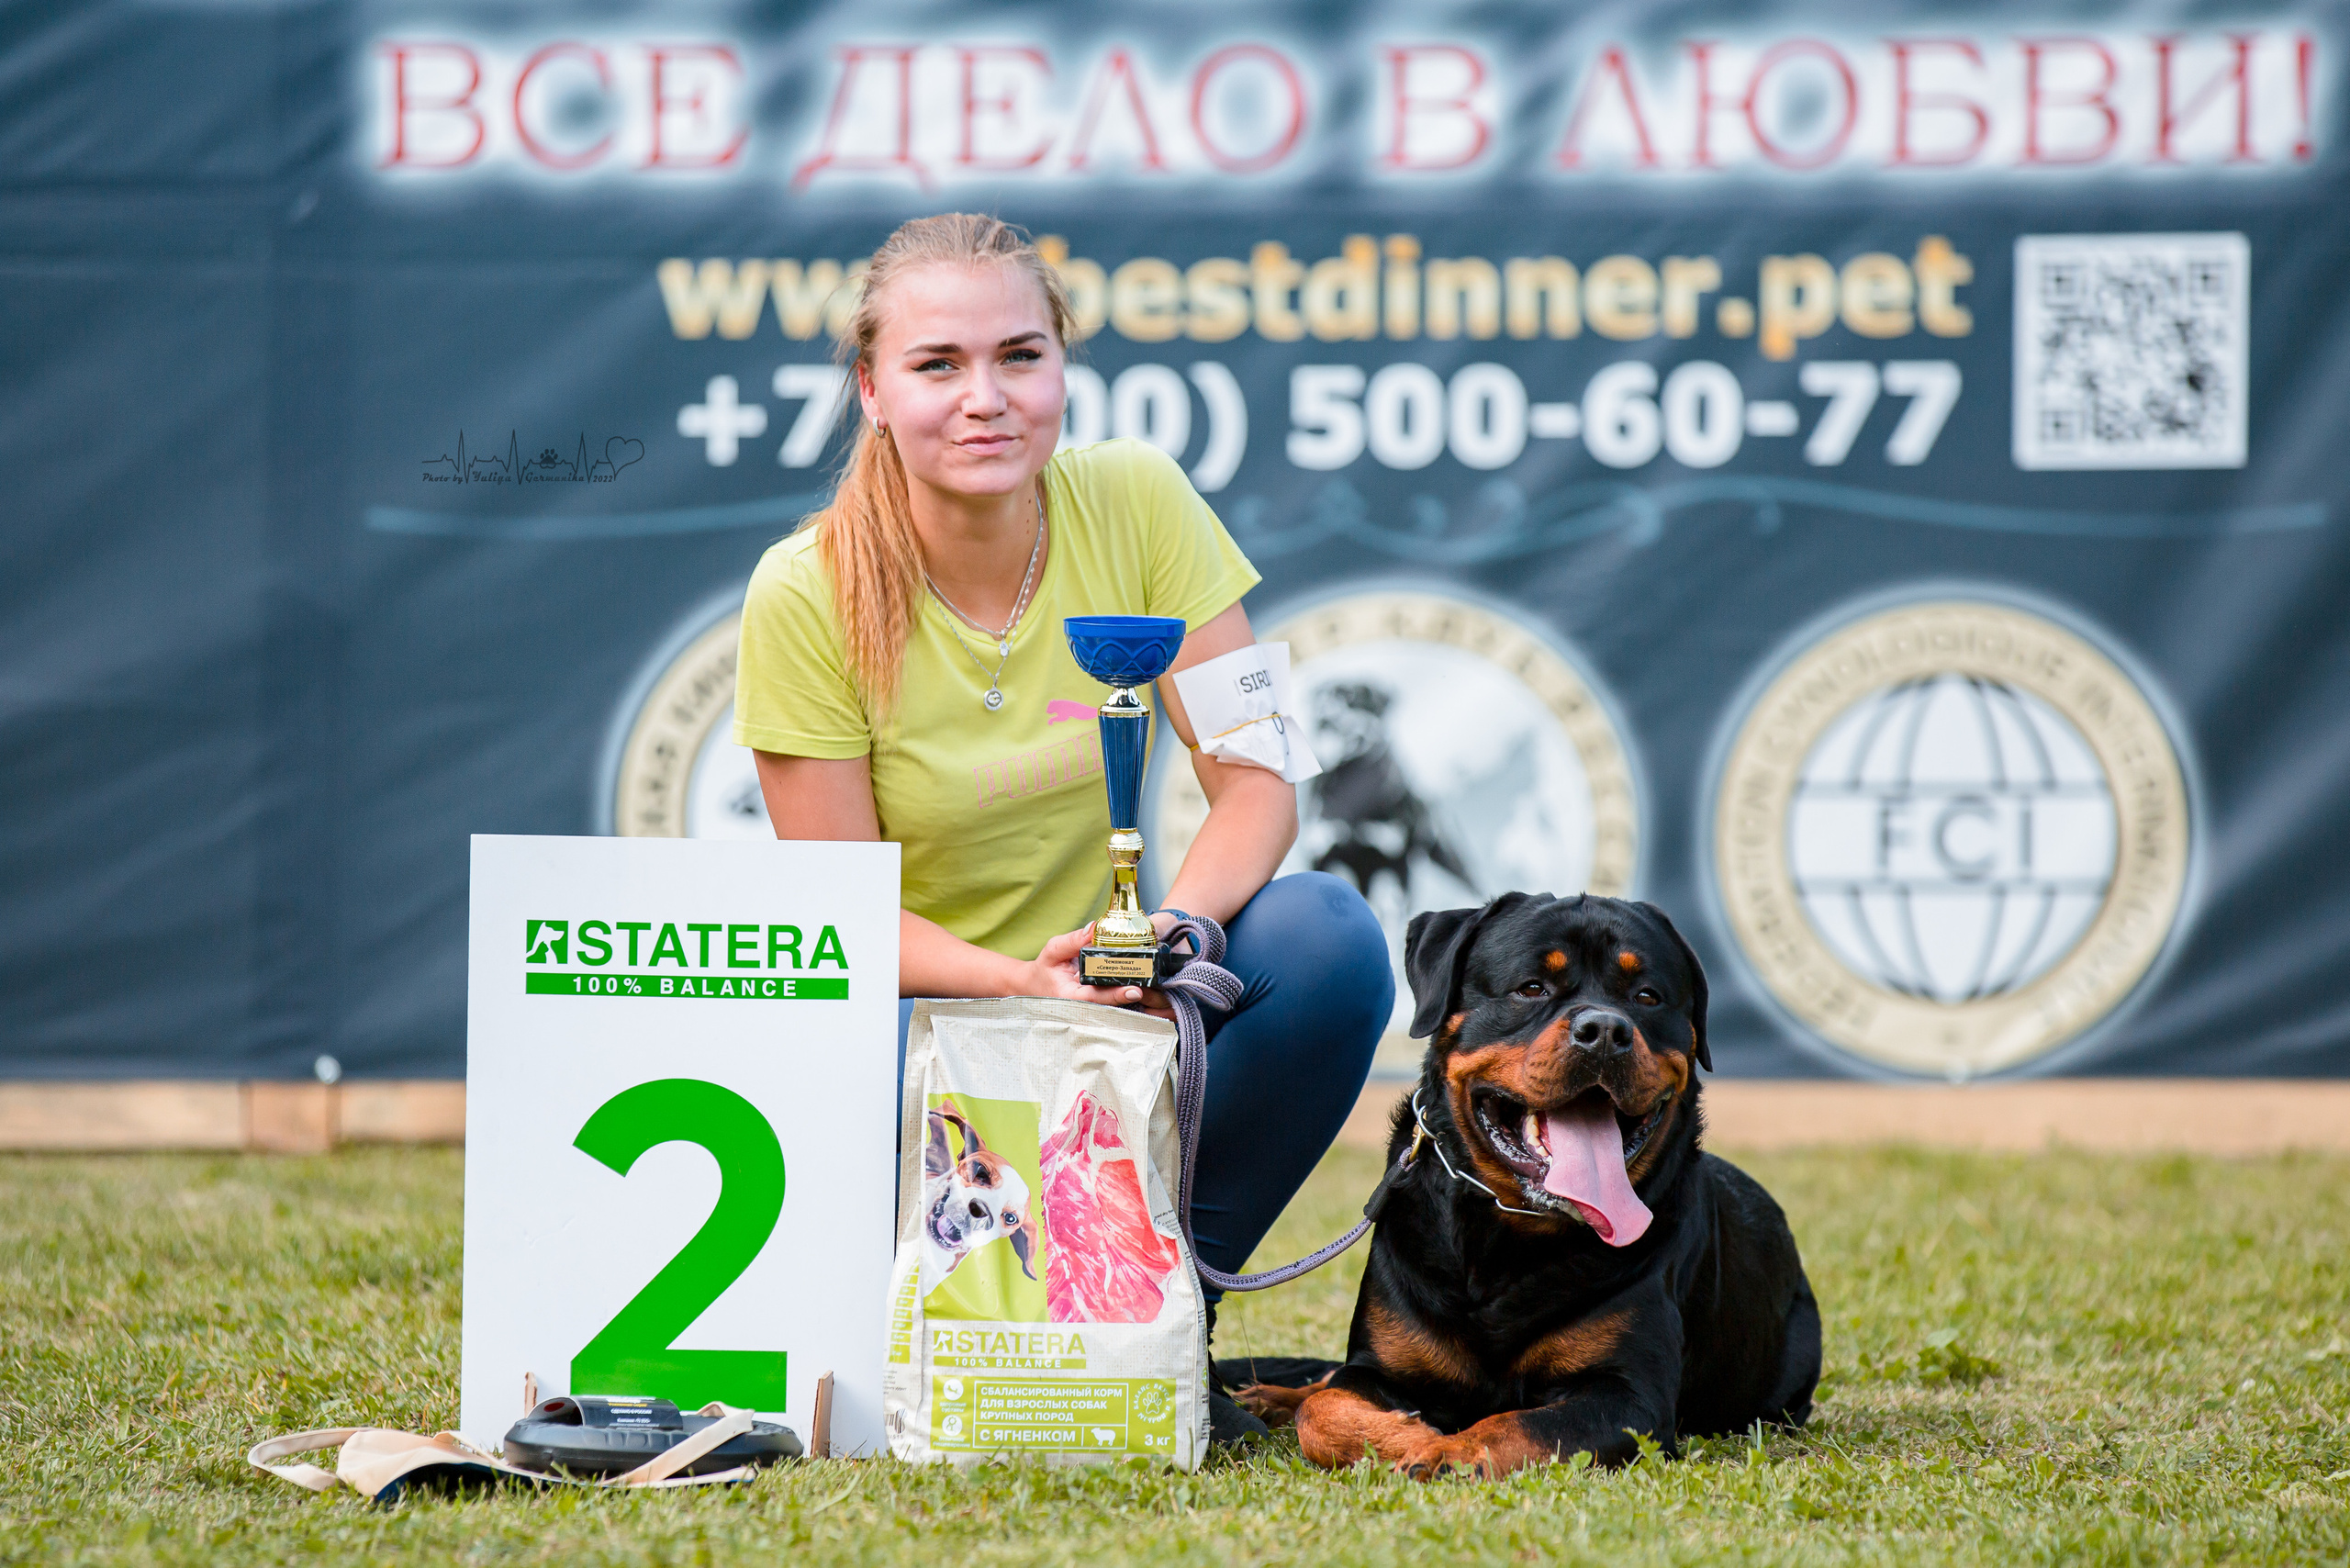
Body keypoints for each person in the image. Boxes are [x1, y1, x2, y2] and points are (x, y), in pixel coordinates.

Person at [733, 213, 1392, 1442]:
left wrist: (1170, 943)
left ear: (1062, 370)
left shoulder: (1140, 501)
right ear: (872, 389)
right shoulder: (804, 587)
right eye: (937, 366)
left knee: (1327, 939)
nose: (985, 399)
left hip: (1123, 1008)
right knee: (848, 1051)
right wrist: (1021, 983)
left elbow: (1258, 785)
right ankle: (1000, 1319)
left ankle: (1157, 1319)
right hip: (917, 1027)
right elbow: (836, 917)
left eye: (1020, 357)